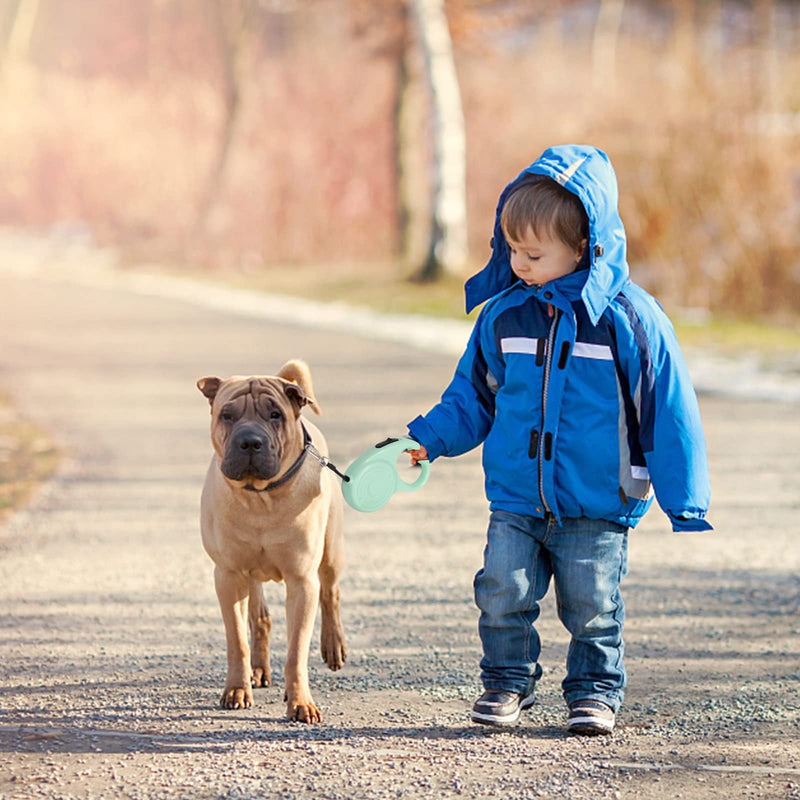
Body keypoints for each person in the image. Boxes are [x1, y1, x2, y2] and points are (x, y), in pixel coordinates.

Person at [405, 144, 712, 736]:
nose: (518, 263)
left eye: (534, 253)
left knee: (592, 607)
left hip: (596, 501)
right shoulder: (502, 317)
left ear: (584, 246)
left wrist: (684, 497)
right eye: (512, 249)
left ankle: (594, 692)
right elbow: (471, 398)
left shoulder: (629, 320)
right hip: (518, 497)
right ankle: (506, 683)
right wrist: (426, 440)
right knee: (500, 591)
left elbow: (668, 408)